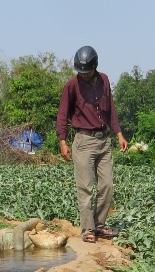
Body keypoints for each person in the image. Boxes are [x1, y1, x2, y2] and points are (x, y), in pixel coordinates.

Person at [56, 45, 128, 244]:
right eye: (81, 71)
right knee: (86, 188)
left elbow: (111, 109)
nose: (83, 75)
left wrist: (119, 134)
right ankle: (88, 229)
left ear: (95, 66)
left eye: (87, 71)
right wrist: (63, 141)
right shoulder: (72, 85)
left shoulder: (104, 80)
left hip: (104, 140)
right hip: (84, 141)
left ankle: (99, 225)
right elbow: (62, 114)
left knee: (107, 186)